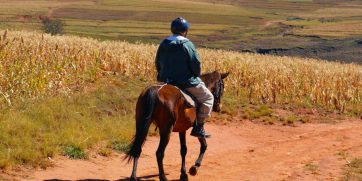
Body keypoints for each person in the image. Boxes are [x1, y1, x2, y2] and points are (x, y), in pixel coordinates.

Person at [155, 17, 214, 138]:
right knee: (208, 97)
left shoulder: (164, 43)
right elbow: (195, 64)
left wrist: (163, 76)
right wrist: (195, 74)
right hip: (185, 82)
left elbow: (158, 62)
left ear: (172, 29)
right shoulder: (187, 44)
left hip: (165, 81)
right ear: (185, 31)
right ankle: (199, 127)